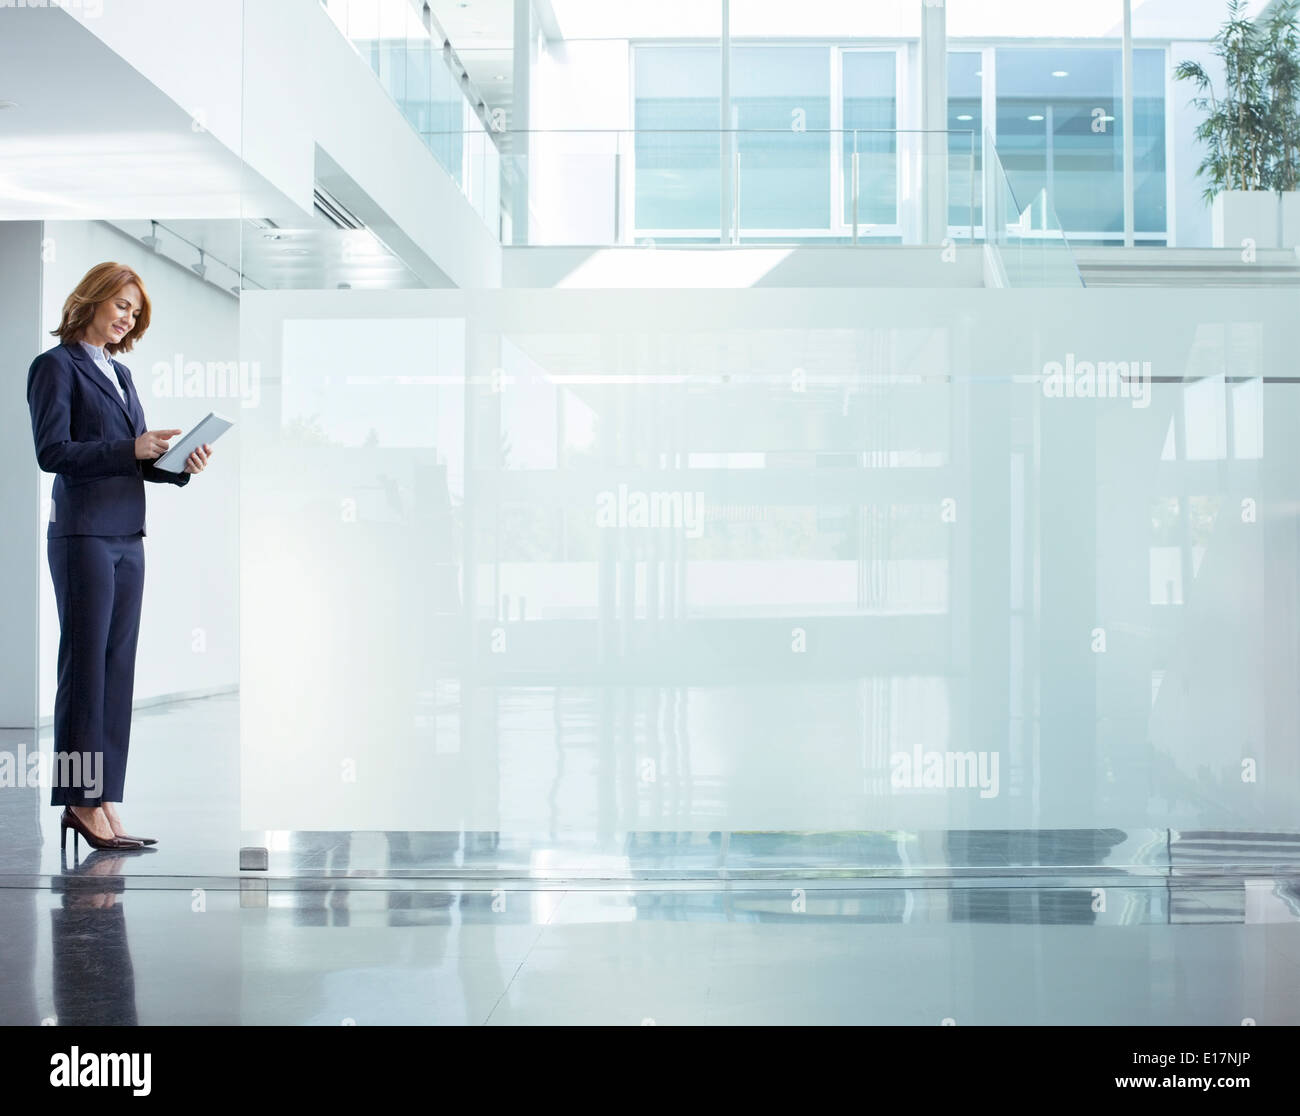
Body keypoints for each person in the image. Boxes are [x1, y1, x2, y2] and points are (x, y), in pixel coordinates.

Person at [27, 262, 213, 853]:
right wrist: (130, 445)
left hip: (128, 535)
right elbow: (53, 451)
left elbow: (129, 459)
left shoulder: (121, 372)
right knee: (84, 670)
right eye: (121, 304)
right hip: (82, 536)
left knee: (116, 670)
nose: (128, 317)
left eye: (135, 311)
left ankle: (104, 796)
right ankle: (80, 802)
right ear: (93, 299)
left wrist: (175, 463)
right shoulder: (55, 366)